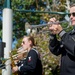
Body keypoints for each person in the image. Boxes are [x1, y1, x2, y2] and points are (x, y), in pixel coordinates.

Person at [48, 4, 75, 75]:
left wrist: (61, 32)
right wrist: (52, 35)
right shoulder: (69, 35)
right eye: (70, 15)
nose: (71, 17)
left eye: (74, 14)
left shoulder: (66, 36)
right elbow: (56, 50)